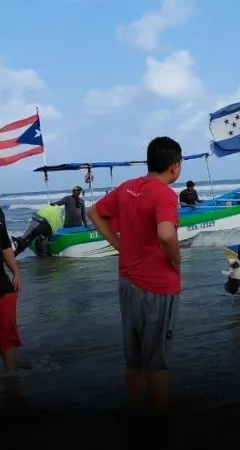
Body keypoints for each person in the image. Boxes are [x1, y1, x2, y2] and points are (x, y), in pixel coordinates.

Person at [87, 136, 184, 416]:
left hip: (127, 282)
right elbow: (166, 234)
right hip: (157, 286)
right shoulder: (165, 194)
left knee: (135, 359)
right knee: (156, 361)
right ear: (174, 166)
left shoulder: (127, 187)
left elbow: (94, 212)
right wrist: (177, 261)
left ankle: (132, 411)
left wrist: (118, 245)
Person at [0, 205, 22, 374]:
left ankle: (11, 379)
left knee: (7, 334)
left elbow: (5, 245)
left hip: (1, 283)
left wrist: (15, 272)